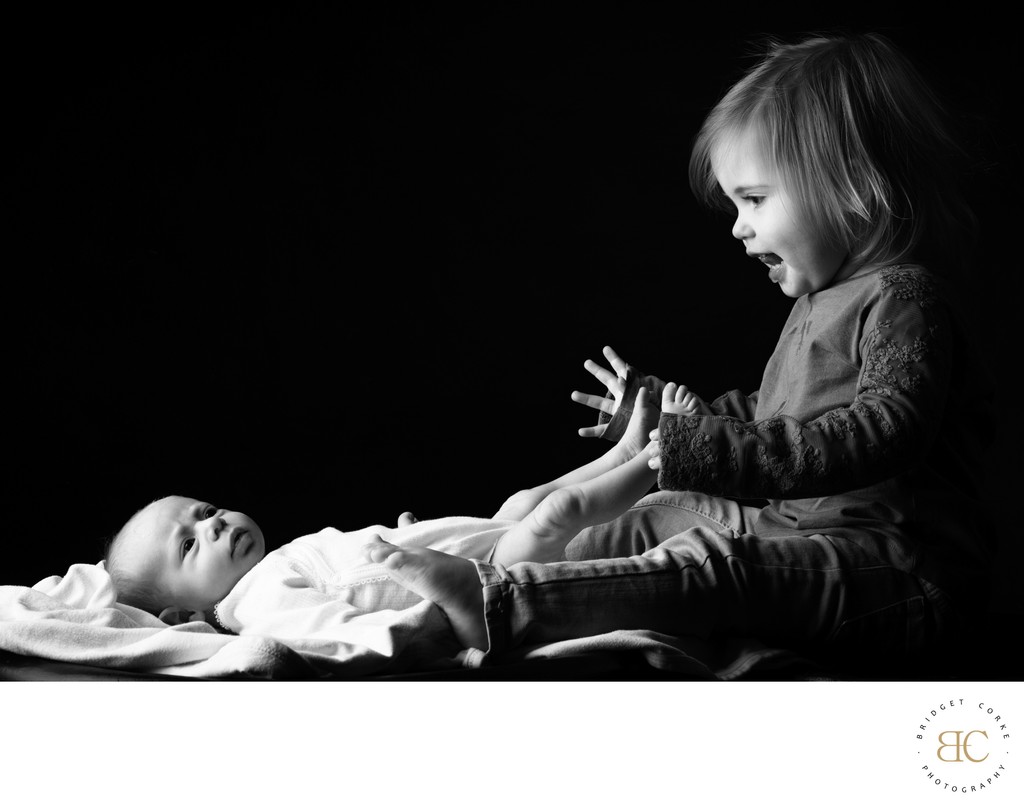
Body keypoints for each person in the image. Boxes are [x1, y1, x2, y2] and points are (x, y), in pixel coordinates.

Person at [361, 33, 996, 675]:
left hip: (897, 572)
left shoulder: (903, 299)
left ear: (853, 184)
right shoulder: (820, 302)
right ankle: (485, 574)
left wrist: (712, 451)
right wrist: (664, 421)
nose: (738, 227)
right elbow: (774, 411)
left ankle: (504, 608)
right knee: (649, 515)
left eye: (754, 199)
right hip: (796, 531)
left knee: (715, 568)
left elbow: (884, 431)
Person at [102, 387, 682, 635]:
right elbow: (343, 634)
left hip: (455, 541)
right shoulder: (256, 604)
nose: (214, 524)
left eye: (204, 511)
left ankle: (627, 451)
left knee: (524, 502)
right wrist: (412, 605)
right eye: (189, 545)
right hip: (478, 577)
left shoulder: (266, 568)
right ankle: (657, 458)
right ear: (184, 615)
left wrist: (396, 543)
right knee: (555, 514)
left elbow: (347, 573)